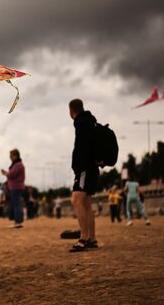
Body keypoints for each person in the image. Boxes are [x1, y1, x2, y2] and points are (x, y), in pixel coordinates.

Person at [68, 99, 99, 252]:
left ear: (71, 112)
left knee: (76, 199)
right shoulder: (90, 121)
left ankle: (84, 238)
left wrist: (77, 167)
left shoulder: (81, 123)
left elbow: (82, 147)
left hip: (84, 168)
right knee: (86, 203)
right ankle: (92, 238)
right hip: (92, 167)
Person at [1, 149, 26, 228]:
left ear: (15, 155)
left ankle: (17, 222)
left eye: (11, 156)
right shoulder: (18, 164)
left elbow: (12, 174)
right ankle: (17, 221)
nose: (10, 157)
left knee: (16, 205)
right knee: (16, 204)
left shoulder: (18, 164)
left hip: (16, 187)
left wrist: (5, 173)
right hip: (15, 187)